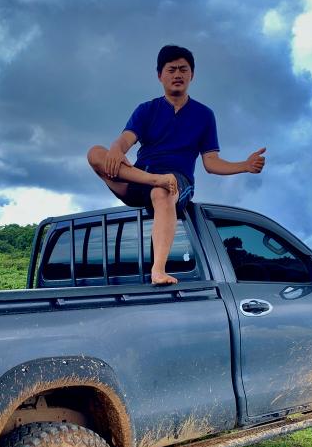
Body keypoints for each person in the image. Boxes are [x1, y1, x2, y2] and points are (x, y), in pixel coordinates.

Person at [87, 44, 267, 284]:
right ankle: (154, 180)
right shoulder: (147, 110)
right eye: (171, 70)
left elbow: (211, 162)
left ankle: (158, 270)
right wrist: (115, 150)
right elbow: (125, 140)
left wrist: (244, 165)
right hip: (139, 178)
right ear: (159, 75)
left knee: (162, 192)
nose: (177, 75)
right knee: (95, 153)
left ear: (192, 75)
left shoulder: (204, 115)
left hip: (176, 181)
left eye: (183, 69)